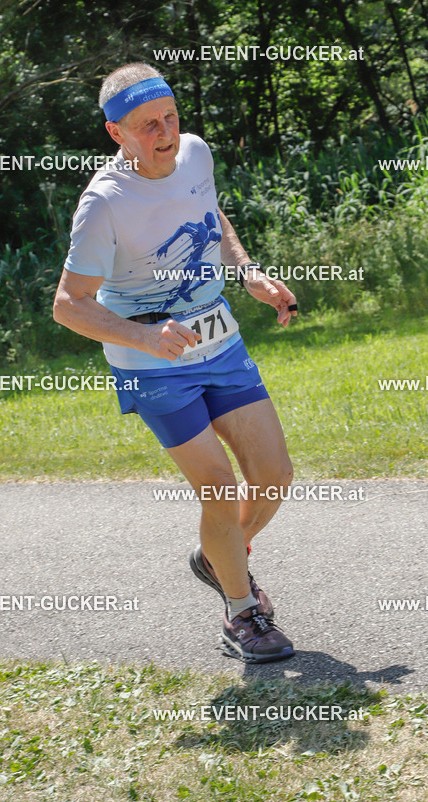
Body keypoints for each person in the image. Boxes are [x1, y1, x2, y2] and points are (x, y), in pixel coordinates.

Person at [53, 63, 298, 662]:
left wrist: (247, 272)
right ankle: (242, 613)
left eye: (171, 117)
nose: (165, 133)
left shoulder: (195, 154)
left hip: (221, 342)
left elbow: (210, 215)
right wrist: (142, 336)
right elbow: (68, 305)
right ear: (116, 133)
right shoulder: (104, 204)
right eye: (148, 126)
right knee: (218, 488)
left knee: (274, 476)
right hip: (153, 367)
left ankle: (219, 557)